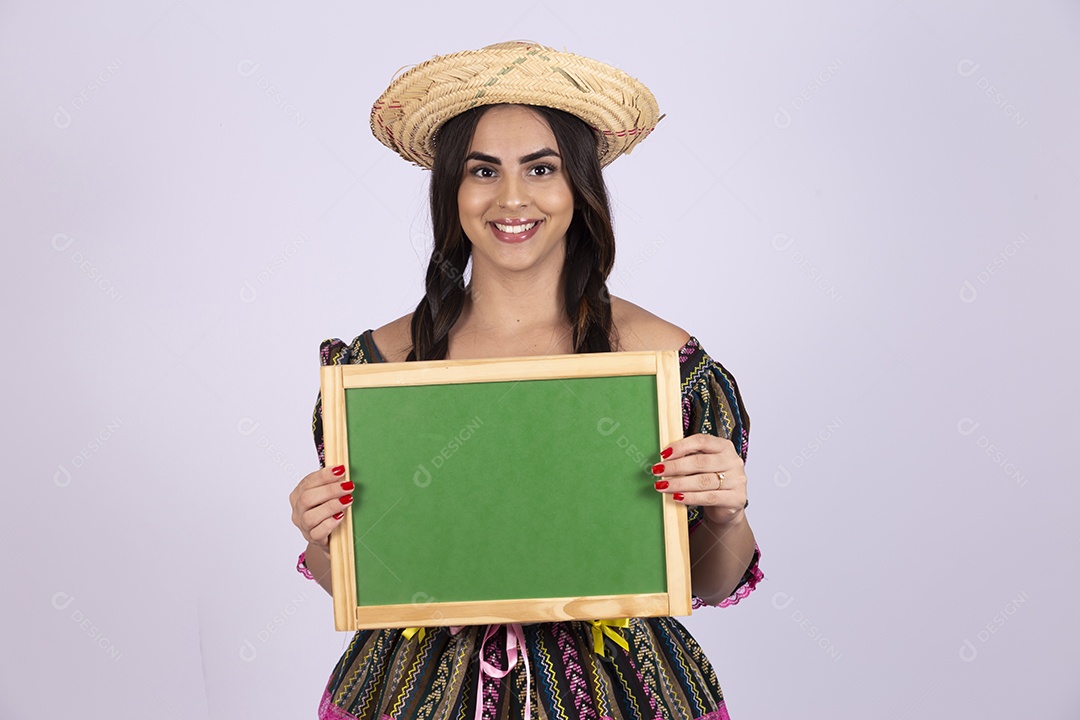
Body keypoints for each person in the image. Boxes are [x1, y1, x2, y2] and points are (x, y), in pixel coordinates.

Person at [288, 41, 762, 720]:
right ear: (452, 190)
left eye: (541, 168)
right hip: (412, 697)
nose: (512, 197)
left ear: (579, 186)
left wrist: (727, 511)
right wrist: (319, 533)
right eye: (484, 170)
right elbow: (366, 581)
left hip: (625, 697)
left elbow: (711, 582)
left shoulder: (668, 363)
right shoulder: (376, 366)